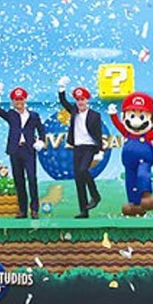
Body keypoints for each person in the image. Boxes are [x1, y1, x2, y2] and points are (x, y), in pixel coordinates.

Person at [0, 83, 46, 219]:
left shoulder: (34, 115)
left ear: (25, 100)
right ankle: (22, 210)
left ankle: (34, 209)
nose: (19, 102)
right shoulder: (11, 115)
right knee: (19, 180)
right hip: (15, 150)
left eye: (21, 99)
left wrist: (41, 141)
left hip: (28, 150)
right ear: (13, 101)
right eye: (16, 100)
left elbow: (41, 130)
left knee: (32, 179)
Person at [58, 78, 103, 218]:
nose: (80, 102)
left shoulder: (95, 115)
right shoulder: (74, 111)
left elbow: (98, 134)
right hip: (77, 147)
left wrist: (100, 151)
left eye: (82, 99)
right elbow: (63, 101)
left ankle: (95, 195)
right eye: (78, 100)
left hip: (89, 147)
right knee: (79, 179)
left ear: (87, 100)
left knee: (83, 170)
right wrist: (62, 87)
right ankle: (84, 211)